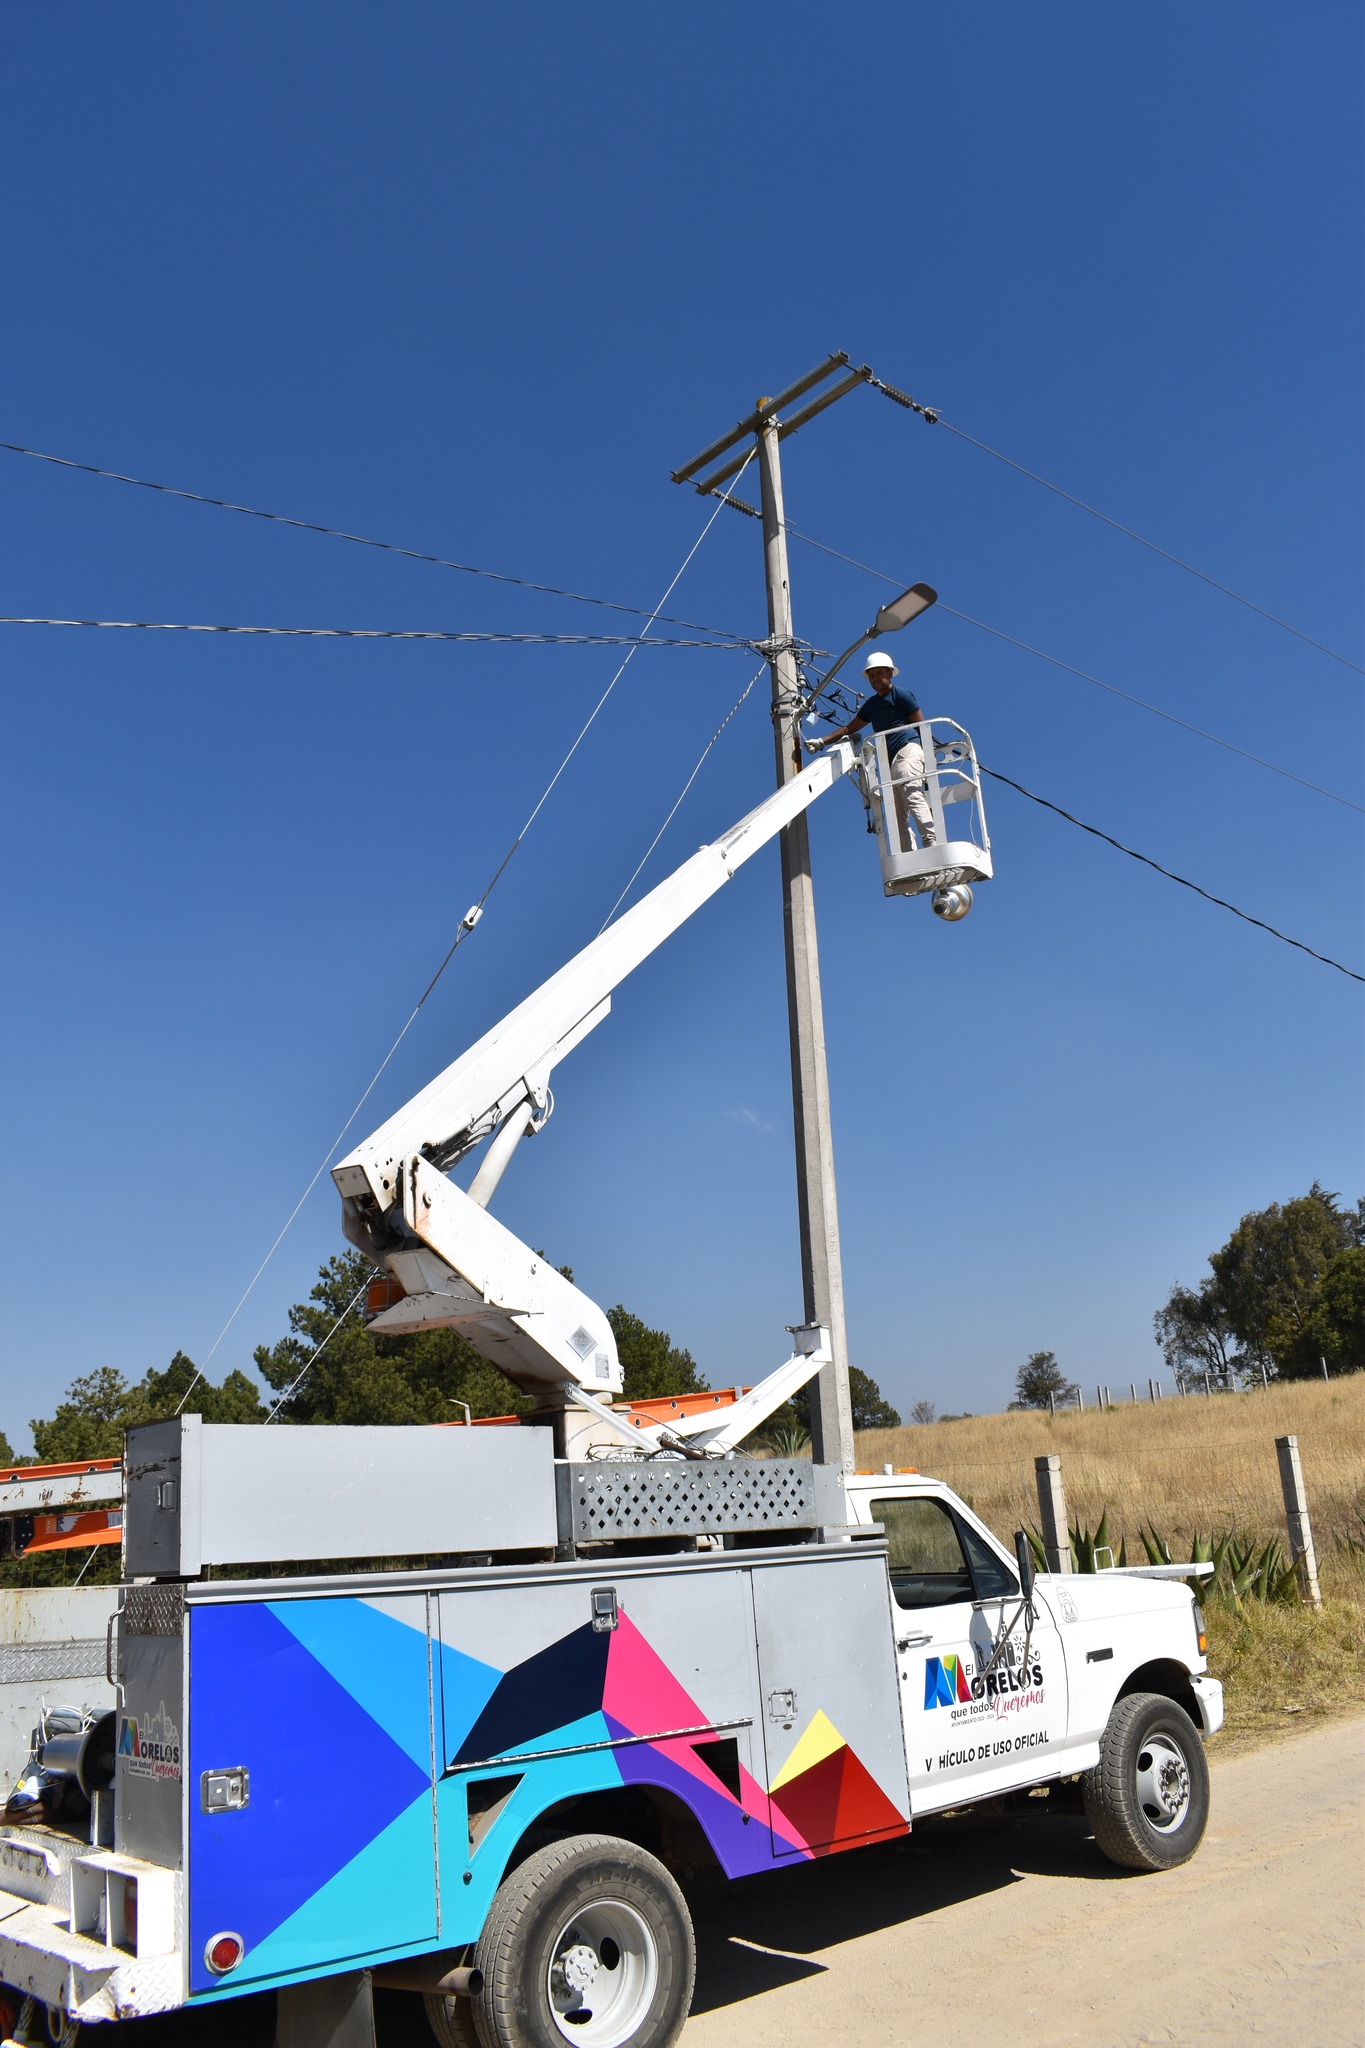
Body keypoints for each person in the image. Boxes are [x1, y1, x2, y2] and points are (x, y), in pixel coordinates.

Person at [806, 649, 936, 849]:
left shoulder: (900, 695)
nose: (875, 678)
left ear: (889, 673)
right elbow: (850, 728)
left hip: (908, 749)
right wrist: (822, 741)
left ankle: (930, 839)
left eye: (880, 673)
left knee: (909, 788)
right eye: (872, 675)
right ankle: (909, 853)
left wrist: (928, 758)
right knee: (895, 810)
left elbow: (921, 726)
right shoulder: (872, 705)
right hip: (890, 760)